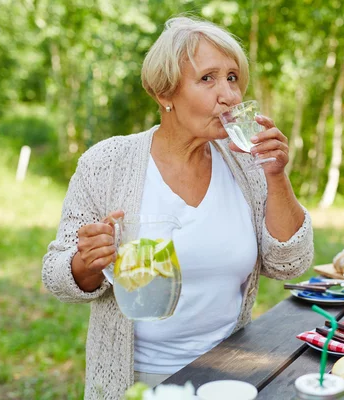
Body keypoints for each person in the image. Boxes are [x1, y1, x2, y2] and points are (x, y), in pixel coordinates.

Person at [42, 16, 314, 400]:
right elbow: (57, 275)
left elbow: (291, 263)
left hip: (231, 375)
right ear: (163, 93)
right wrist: (86, 262)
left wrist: (276, 175)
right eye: (208, 79)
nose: (230, 96)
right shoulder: (106, 162)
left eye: (233, 78)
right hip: (137, 380)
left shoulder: (246, 166)